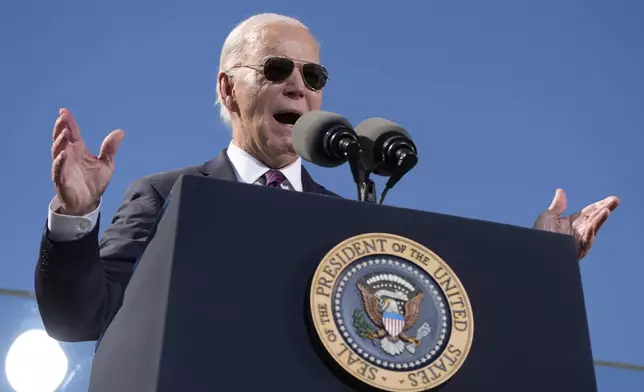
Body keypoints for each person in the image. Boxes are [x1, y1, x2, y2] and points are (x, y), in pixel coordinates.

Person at [35, 13, 620, 343]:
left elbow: (442, 324)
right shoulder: (166, 196)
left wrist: (542, 260)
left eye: (312, 72)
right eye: (276, 68)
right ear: (227, 89)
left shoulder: (347, 223)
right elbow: (82, 315)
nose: (299, 84)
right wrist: (74, 217)